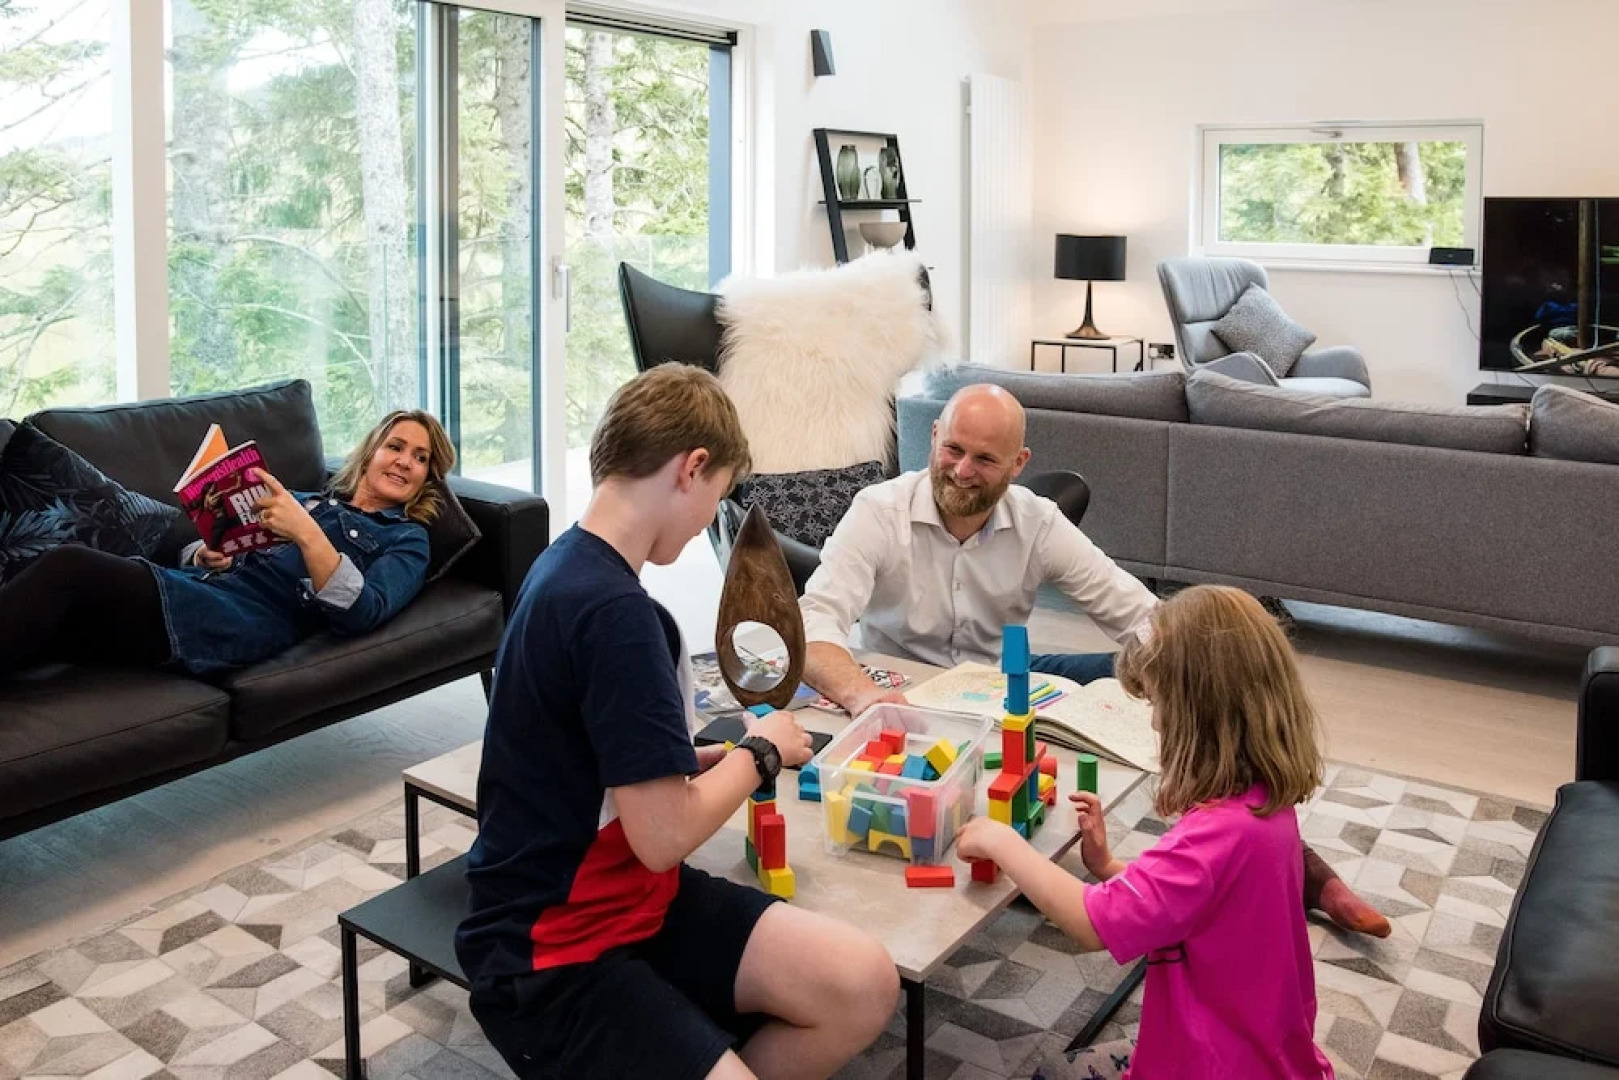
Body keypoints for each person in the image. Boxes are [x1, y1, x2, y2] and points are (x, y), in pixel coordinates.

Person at [801, 382, 1391, 940]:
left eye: (985, 459)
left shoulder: (1036, 521)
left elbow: (1135, 613)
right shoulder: (878, 511)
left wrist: (1209, 670)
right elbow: (814, 621)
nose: (962, 469)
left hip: (1003, 682)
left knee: (1184, 674)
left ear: (1019, 463)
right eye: (953, 449)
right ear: (933, 435)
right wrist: (863, 697)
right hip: (907, 690)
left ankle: (1292, 864)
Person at [456, 364, 898, 1080]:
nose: (703, 527)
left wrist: (677, 762)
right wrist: (760, 752)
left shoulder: (562, 564)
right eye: (716, 496)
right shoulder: (620, 617)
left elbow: (580, 757)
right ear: (691, 468)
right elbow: (662, 838)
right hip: (554, 950)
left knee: (864, 982)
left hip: (637, 903)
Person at [958, 586, 1336, 1080]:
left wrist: (1000, 842)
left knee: (1050, 1074)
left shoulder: (1215, 837)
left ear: (1198, 715)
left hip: (1213, 1066)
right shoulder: (1264, 807)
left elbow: (1091, 925)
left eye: (1158, 703)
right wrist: (1108, 867)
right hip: (1267, 1054)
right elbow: (1200, 901)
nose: (1155, 721)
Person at [0, 409, 450, 677]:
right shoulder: (304, 499)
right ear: (371, 453)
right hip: (197, 586)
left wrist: (307, 532)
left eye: (420, 458)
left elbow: (364, 610)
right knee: (58, 624)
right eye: (395, 447)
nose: (404, 462)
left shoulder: (407, 539)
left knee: (70, 566)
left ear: (427, 477)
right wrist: (205, 553)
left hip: (242, 618)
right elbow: (203, 552)